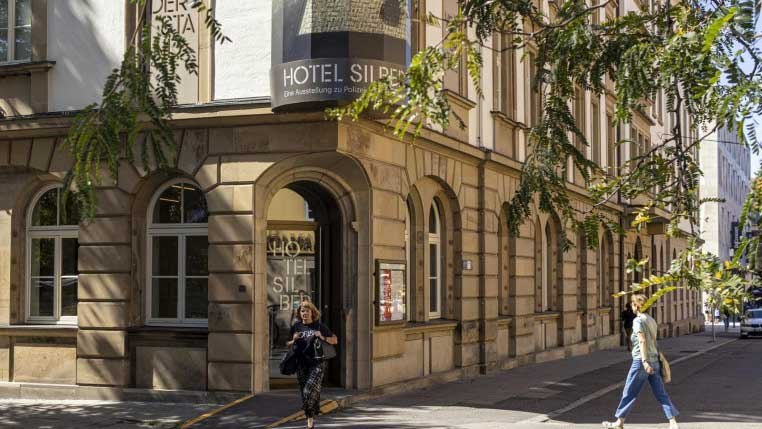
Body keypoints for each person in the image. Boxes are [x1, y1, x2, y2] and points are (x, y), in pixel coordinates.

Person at [603, 294, 679, 429]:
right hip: (654, 360)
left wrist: (644, 361)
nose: (631, 307)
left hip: (641, 361)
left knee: (629, 391)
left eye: (632, 304)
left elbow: (642, 340)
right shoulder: (651, 320)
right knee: (660, 393)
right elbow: (654, 341)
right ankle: (673, 422)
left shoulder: (638, 321)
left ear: (637, 306)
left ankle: (619, 422)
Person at [287, 300, 338, 429]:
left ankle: (310, 419)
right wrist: (293, 340)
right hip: (301, 364)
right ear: (299, 313)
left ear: (312, 313)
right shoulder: (296, 327)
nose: (305, 313)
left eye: (307, 311)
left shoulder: (319, 326)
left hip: (317, 363)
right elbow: (287, 344)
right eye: (302, 311)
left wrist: (322, 337)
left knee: (308, 391)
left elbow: (335, 340)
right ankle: (311, 417)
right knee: (305, 393)